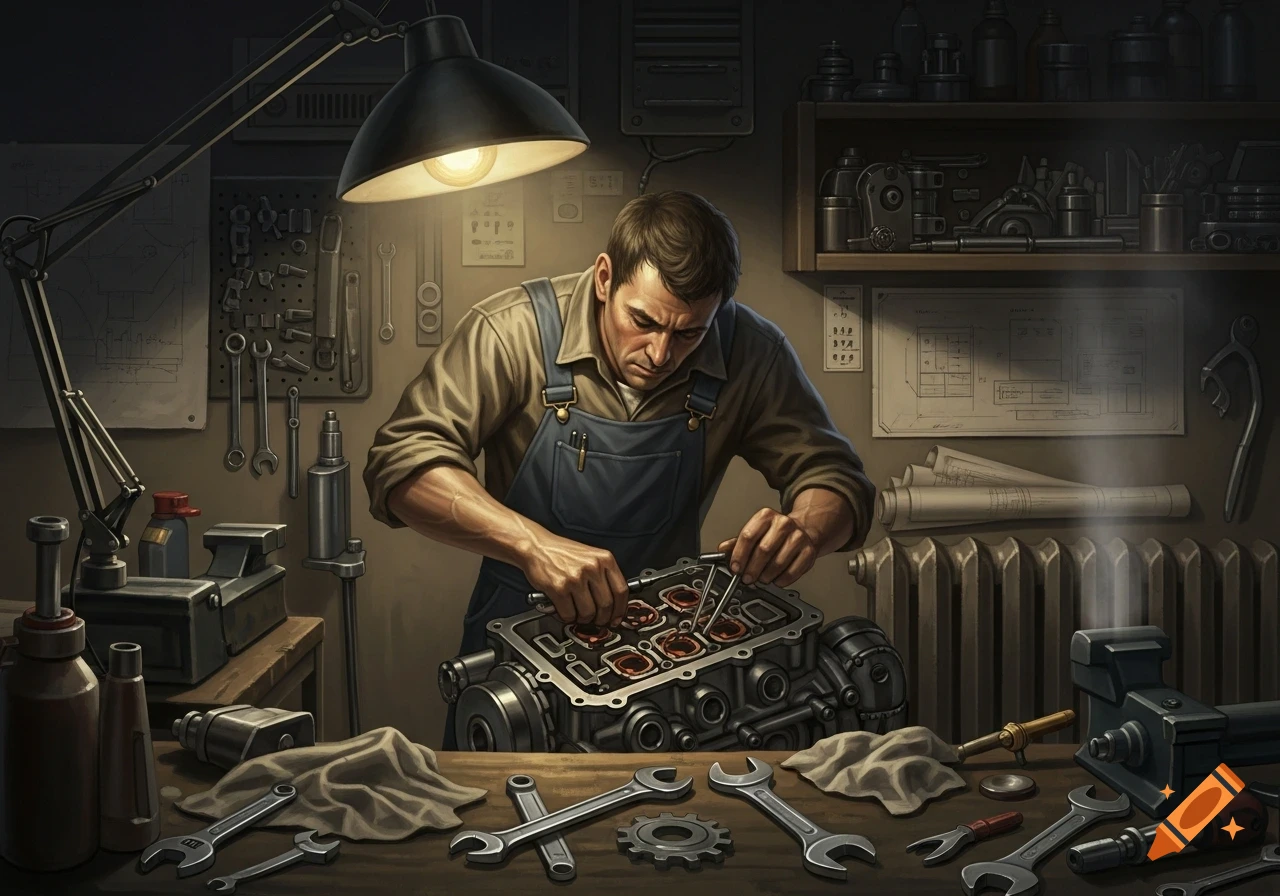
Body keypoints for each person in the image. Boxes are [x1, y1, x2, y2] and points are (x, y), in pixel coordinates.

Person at [364, 190, 874, 747]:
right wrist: (533, 545)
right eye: (643, 322)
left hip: (673, 650)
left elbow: (839, 481)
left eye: (688, 334)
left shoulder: (751, 349)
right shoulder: (510, 332)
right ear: (605, 277)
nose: (660, 354)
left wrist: (804, 528)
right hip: (522, 633)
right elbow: (401, 464)